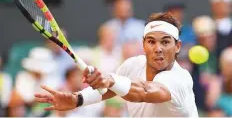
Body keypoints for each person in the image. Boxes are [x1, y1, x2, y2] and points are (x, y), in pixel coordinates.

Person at [35, 12, 198, 117]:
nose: (158, 49)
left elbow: (143, 92)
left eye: (165, 42)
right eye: (151, 42)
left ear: (177, 46)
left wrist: (111, 79)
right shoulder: (133, 65)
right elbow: (109, 90)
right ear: (143, 45)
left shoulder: (180, 79)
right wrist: (77, 99)